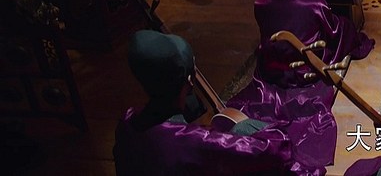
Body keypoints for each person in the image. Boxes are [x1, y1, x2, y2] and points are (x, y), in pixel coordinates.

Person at [226, 0, 375, 172]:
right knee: (344, 28)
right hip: (304, 75)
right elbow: (333, 31)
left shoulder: (261, 3)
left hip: (273, 72)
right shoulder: (314, 4)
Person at [113, 30, 297, 175]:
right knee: (244, 127)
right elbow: (277, 150)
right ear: (190, 81)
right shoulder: (194, 141)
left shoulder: (126, 124)